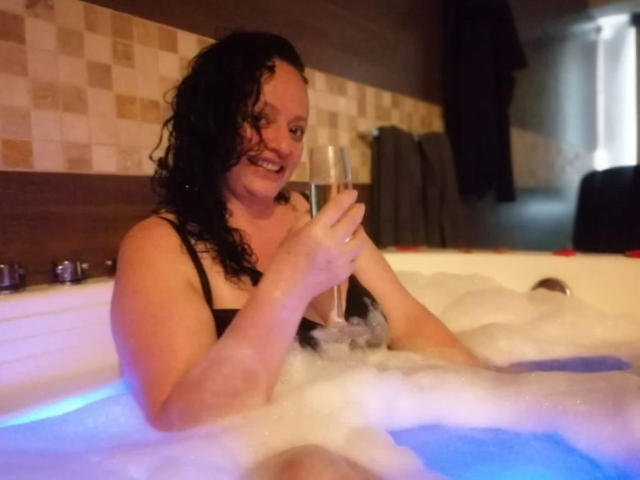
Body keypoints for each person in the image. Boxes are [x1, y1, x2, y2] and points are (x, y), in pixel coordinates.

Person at [110, 31, 479, 434]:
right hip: (265, 451)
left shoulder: (314, 217)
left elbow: (410, 323)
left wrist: (497, 390)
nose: (283, 146)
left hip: (379, 434)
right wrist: (290, 281)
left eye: (296, 130)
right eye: (259, 119)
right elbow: (179, 423)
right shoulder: (158, 246)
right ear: (211, 119)